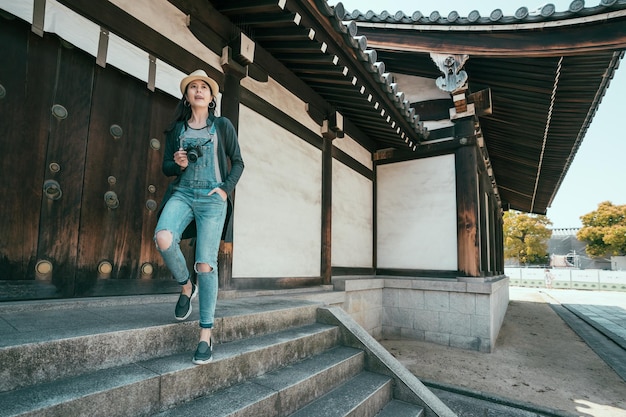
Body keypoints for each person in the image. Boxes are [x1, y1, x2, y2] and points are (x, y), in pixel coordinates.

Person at [155, 69, 244, 365]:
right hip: (182, 192)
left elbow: (238, 162)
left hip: (211, 197)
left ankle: (205, 334)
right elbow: (167, 167)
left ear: (211, 96)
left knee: (206, 264)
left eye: (204, 87)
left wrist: (224, 190)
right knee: (164, 238)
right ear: (187, 95)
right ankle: (185, 286)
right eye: (193, 87)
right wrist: (178, 163)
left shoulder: (222, 126)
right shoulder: (177, 129)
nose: (198, 90)